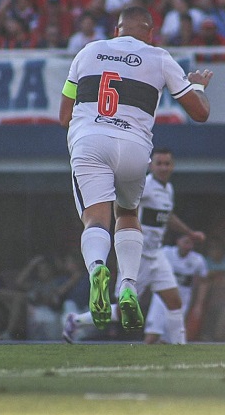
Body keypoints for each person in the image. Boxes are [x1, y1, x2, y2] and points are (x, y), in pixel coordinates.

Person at [58, 6, 212, 334]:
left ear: (117, 30)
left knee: (96, 219)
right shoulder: (159, 56)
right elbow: (199, 113)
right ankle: (127, 284)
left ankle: (98, 268)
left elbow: (63, 115)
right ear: (150, 32)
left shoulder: (88, 51)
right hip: (134, 146)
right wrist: (197, 86)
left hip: (91, 140)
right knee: (128, 214)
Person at [62, 147, 206, 344]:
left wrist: (189, 233)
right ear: (151, 165)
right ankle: (76, 320)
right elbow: (122, 207)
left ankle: (180, 347)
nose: (163, 167)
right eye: (159, 163)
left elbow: (167, 216)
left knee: (175, 302)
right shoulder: (145, 185)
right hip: (137, 258)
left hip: (157, 255)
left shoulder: (168, 189)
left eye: (167, 163)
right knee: (123, 312)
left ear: (172, 166)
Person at [144, 234, 209, 344]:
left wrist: (199, 304)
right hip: (161, 299)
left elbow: (204, 281)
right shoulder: (166, 253)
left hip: (181, 301)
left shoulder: (197, 260)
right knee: (153, 333)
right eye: (186, 242)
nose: (187, 246)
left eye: (191, 243)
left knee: (169, 338)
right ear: (178, 241)